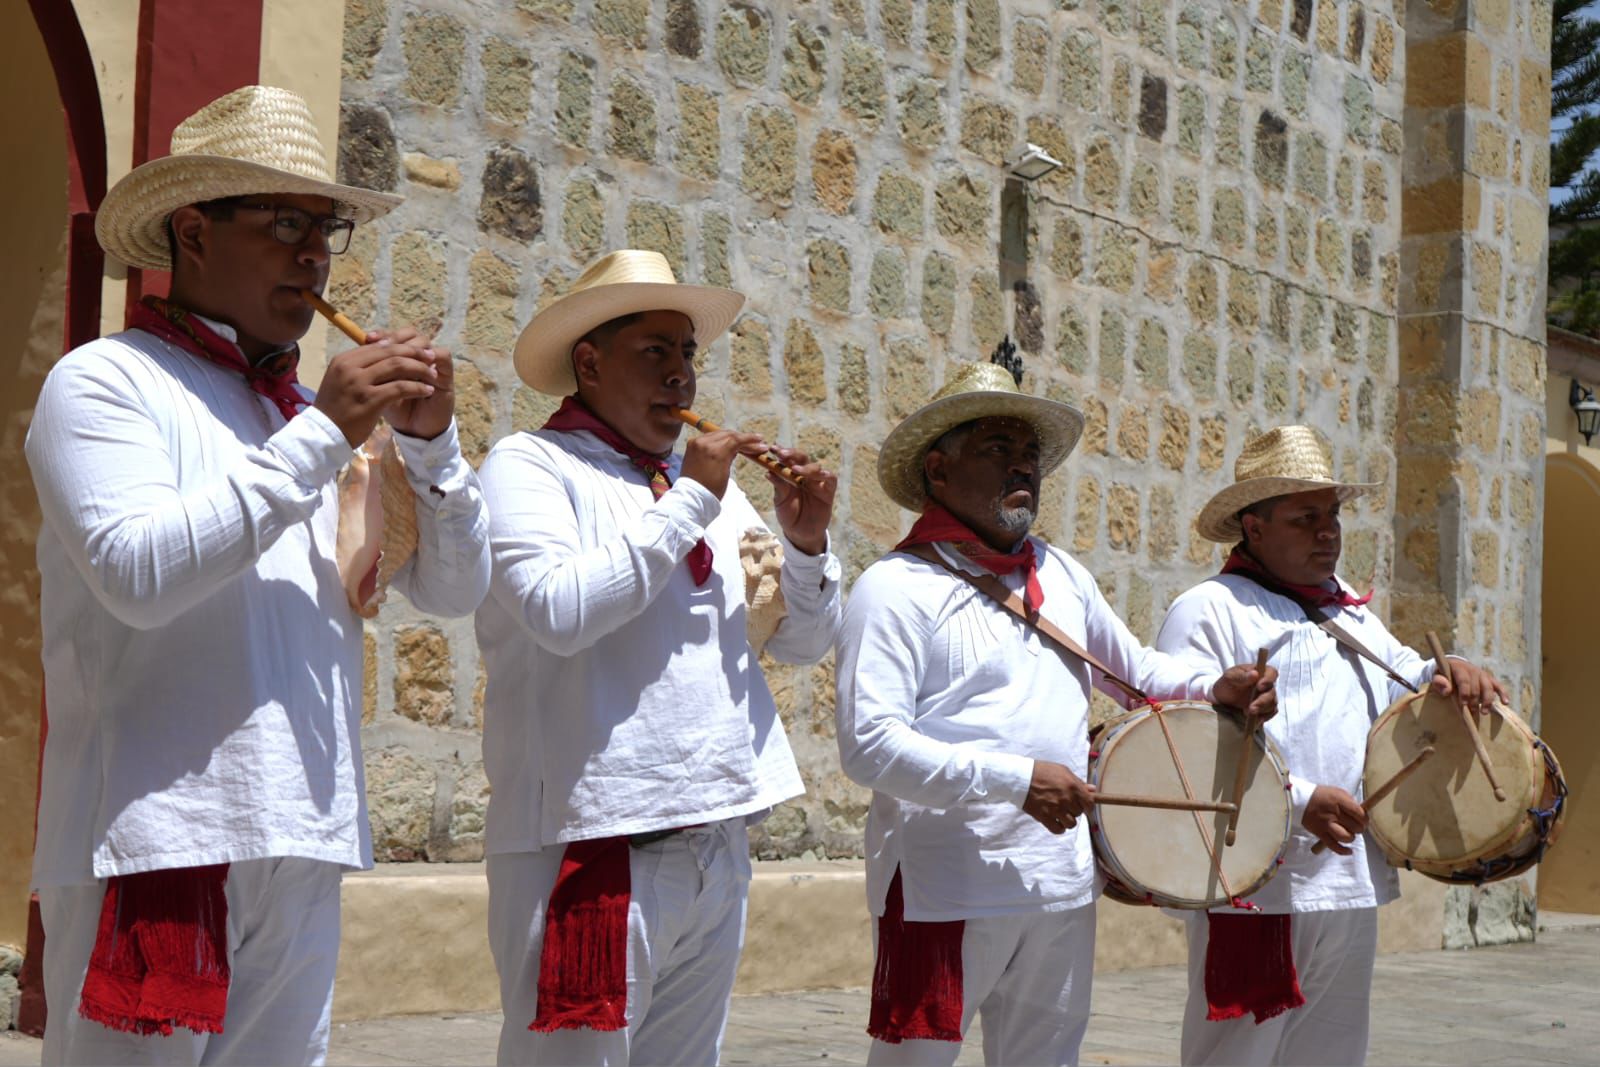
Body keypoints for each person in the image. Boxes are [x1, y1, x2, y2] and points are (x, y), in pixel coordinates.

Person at [25, 85, 491, 1065]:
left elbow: (451, 591)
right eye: (285, 224)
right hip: (155, 839)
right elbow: (136, 573)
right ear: (193, 232)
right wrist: (326, 432)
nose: (315, 254)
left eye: (326, 230)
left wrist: (434, 447)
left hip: (301, 834)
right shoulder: (104, 381)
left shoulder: (298, 419)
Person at [833, 355, 1277, 1067]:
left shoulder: (1062, 575)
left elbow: (1136, 672)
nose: (1022, 468)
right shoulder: (893, 588)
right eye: (996, 449)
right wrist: (1017, 781)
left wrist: (1212, 689)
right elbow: (869, 747)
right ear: (939, 473)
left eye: (1029, 453)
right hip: (942, 887)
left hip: (1060, 883)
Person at [476, 249, 842, 1065]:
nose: (681, 375)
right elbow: (558, 611)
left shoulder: (696, 483)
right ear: (589, 361)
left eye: (687, 354)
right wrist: (689, 504)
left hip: (716, 836)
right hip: (594, 845)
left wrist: (807, 544)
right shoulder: (527, 466)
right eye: (655, 351)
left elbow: (804, 641)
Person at [1154, 424, 1507, 1066]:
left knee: (1331, 1054)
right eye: (1305, 517)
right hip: (1257, 889)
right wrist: (1302, 800)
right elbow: (1187, 744)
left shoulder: (1349, 611)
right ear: (1253, 527)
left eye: (1333, 515)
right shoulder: (1210, 609)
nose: (1328, 532)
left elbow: (1404, 666)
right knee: (1235, 1057)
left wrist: (1450, 667)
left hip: (1348, 882)